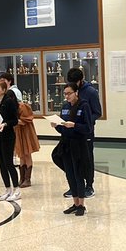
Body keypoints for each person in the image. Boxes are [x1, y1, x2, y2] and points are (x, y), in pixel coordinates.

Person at [53, 83, 93, 216]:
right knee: (69, 174)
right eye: (65, 94)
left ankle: (82, 204)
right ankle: (75, 203)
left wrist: (75, 125)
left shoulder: (84, 106)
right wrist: (56, 126)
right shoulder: (64, 107)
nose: (67, 96)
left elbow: (88, 128)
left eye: (69, 93)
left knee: (78, 174)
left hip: (79, 144)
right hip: (66, 144)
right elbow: (62, 128)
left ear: (76, 92)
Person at [66, 67, 101, 198]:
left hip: (85, 131)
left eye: (74, 83)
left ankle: (89, 185)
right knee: (72, 158)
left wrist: (84, 121)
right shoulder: (70, 91)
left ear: (80, 81)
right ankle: (75, 185)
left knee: (87, 158)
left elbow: (97, 112)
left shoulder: (91, 92)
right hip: (71, 131)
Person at [0, 79, 21, 200]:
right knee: (1, 164)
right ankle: (7, 188)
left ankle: (17, 189)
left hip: (7, 137)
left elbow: (15, 120)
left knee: (8, 163)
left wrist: (5, 124)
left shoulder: (9, 102)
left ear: (3, 90)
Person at [14, 98, 40, 188]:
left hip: (25, 132)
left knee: (27, 154)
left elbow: (26, 119)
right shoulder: (12, 107)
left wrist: (12, 121)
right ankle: (22, 178)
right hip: (18, 132)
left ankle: (27, 179)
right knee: (21, 155)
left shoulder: (22, 106)